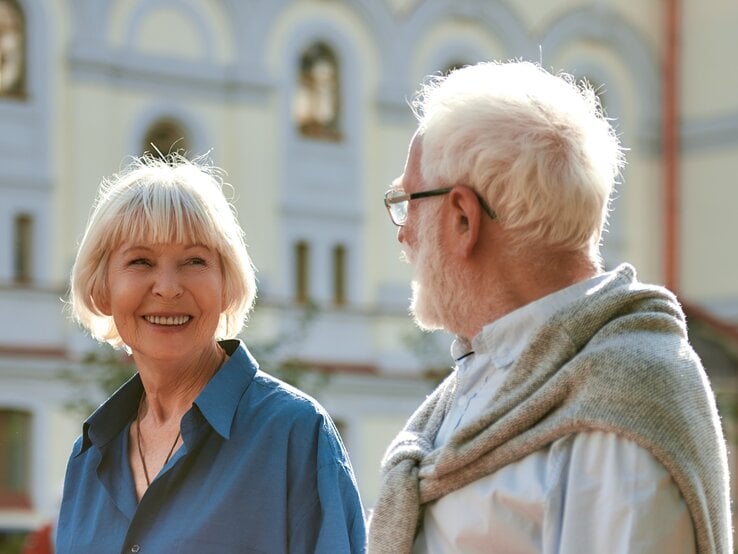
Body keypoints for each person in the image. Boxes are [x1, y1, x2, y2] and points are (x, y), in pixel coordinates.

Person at [368, 61, 732, 554]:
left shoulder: (616, 406)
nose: (403, 231)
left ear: (461, 218)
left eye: (409, 201)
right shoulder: (489, 378)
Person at [57, 154, 366, 553]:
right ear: (102, 289)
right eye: (140, 261)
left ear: (227, 284)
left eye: (194, 261)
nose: (168, 287)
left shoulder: (294, 434)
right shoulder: (87, 461)